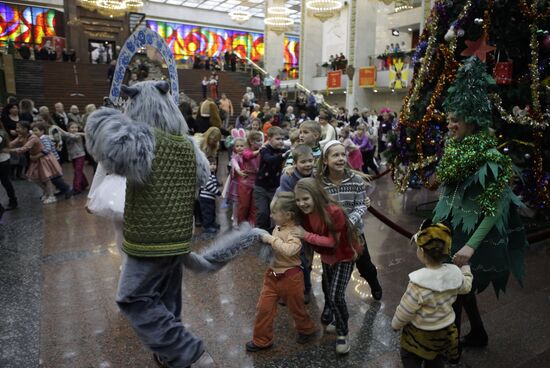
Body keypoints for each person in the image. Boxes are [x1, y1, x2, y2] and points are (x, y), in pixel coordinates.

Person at [433, 57, 527, 349]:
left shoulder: (491, 159)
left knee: (454, 288)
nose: (449, 125)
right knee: (459, 287)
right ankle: (478, 333)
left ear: (472, 121)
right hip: (451, 228)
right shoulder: (454, 151)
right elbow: (448, 194)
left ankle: (451, 348)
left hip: (470, 235)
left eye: (454, 120)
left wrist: (471, 245)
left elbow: (494, 208)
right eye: (448, 119)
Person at [292, 177, 362, 354]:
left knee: (336, 295)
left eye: (305, 199)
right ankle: (339, 321)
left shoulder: (333, 211)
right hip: (326, 258)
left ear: (316, 195)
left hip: (344, 256)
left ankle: (342, 332)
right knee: (330, 295)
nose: (301, 203)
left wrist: (306, 235)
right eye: (298, 199)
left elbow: (332, 242)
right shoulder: (304, 214)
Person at [316, 140, 382, 321]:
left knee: (365, 264)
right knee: (328, 270)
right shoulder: (320, 183)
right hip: (330, 234)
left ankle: (373, 282)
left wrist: (348, 222)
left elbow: (361, 205)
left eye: (343, 155)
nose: (340, 158)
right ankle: (329, 305)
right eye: (335, 155)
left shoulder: (356, 180)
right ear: (325, 160)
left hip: (354, 233)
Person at [392, 220, 473, 368]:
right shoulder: (454, 273)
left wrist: (396, 324)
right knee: (436, 359)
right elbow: (466, 287)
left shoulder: (418, 283)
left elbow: (406, 310)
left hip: (418, 334)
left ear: (422, 252)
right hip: (444, 332)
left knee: (409, 356)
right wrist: (466, 269)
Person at [246, 192, 317, 352]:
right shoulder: (278, 227)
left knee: (297, 309)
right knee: (264, 308)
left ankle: (306, 329)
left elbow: (290, 250)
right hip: (272, 276)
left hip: (291, 278)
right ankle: (261, 340)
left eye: (274, 212)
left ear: (288, 215)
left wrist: (271, 240)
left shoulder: (296, 231)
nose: (270, 215)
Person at [278, 144, 315, 303]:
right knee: (291, 256)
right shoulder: (288, 177)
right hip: (292, 219)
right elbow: (286, 201)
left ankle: (305, 287)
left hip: (310, 219)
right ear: (295, 163)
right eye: (303, 162)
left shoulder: (315, 175)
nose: (307, 165)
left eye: (310, 161)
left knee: (305, 258)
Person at [7, 121, 63, 204]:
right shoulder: (21, 136)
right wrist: (4, 145)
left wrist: (8, 150)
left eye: (18, 127)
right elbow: (12, 143)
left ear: (25, 129)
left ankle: (51, 196)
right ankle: (47, 192)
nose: (16, 129)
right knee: (34, 177)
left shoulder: (33, 137)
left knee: (46, 178)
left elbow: (25, 148)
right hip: (35, 159)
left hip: (43, 158)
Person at [254, 126, 288, 232]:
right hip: (261, 187)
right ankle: (259, 231)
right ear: (269, 139)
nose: (281, 141)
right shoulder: (264, 150)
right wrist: (282, 156)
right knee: (263, 212)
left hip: (274, 188)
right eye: (277, 139)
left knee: (275, 211)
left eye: (282, 139)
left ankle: (272, 232)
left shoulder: (283, 150)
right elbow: (269, 159)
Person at [31, 122, 72, 198]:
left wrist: (37, 156)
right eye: (33, 131)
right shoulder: (40, 138)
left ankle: (67, 188)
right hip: (50, 160)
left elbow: (47, 149)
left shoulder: (44, 138)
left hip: (53, 160)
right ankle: (63, 189)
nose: (34, 132)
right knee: (54, 177)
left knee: (54, 177)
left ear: (42, 131)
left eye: (36, 130)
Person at [54, 122, 89, 194]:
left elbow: (70, 136)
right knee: (78, 171)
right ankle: (84, 183)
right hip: (73, 156)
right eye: (72, 128)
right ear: (68, 129)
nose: (74, 129)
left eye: (76, 128)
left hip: (80, 155)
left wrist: (60, 129)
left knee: (77, 171)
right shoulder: (68, 135)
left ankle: (77, 188)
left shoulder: (77, 136)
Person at [238, 130, 263, 225]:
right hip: (246, 182)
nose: (261, 142)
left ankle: (251, 226)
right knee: (244, 205)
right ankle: (241, 225)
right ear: (252, 141)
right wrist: (260, 151)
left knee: (254, 206)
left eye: (261, 140)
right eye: (258, 140)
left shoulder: (261, 152)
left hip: (257, 181)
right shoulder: (246, 151)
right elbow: (248, 156)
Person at [199, 156, 222, 234]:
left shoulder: (211, 174)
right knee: (207, 212)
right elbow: (209, 185)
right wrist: (218, 192)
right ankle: (207, 226)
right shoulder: (206, 174)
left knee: (212, 211)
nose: (213, 166)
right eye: (210, 164)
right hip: (205, 198)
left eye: (214, 164)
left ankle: (212, 223)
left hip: (210, 198)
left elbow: (214, 183)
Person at [0, 121, 17, 210]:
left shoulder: (1, 134)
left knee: (5, 181)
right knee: (5, 181)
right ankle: (13, 200)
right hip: (4, 160)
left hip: (2, 161)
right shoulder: (2, 132)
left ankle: (13, 201)